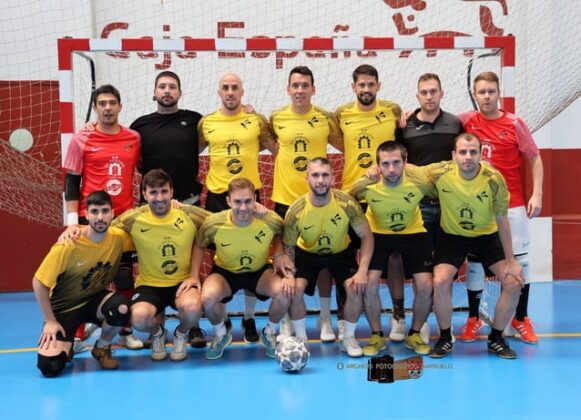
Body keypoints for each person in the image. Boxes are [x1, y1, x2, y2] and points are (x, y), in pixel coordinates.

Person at [458, 72, 543, 344]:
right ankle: (474, 318)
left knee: (520, 262)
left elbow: (535, 157)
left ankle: (521, 317)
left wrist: (537, 193)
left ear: (498, 93)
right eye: (481, 91)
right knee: (475, 262)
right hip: (478, 205)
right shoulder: (466, 121)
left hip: (513, 203)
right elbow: (436, 116)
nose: (486, 96)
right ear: (474, 93)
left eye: (491, 91)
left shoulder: (515, 123)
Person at [426, 133, 524, 359]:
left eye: (472, 152)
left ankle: (497, 337)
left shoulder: (493, 179)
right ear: (454, 156)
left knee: (513, 282)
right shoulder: (439, 174)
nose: (467, 157)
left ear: (481, 154)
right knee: (440, 281)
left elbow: (502, 218)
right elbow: (409, 171)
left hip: (486, 237)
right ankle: (444, 337)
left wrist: (511, 260)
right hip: (452, 237)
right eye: (462, 152)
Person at [198, 73, 277, 343]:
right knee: (219, 256)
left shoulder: (256, 120)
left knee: (254, 253)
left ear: (242, 92)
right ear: (219, 92)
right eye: (225, 88)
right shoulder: (206, 123)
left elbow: (279, 148)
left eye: (235, 88)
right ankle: (222, 317)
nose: (230, 92)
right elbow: (188, 150)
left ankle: (249, 318)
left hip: (249, 196)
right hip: (219, 197)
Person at [130, 71, 207, 348]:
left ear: (180, 92)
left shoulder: (195, 120)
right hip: (154, 202)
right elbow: (133, 157)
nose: (167, 91)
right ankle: (158, 323)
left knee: (193, 256)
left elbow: (209, 140)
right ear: (154, 92)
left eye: (172, 86)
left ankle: (194, 325)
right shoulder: (140, 125)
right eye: (162, 86)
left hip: (187, 202)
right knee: (154, 255)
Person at [63, 84, 141, 350]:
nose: (108, 108)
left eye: (112, 103)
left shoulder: (134, 138)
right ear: (96, 107)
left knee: (124, 278)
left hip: (124, 220)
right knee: (85, 277)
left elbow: (144, 172)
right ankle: (77, 334)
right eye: (102, 103)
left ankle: (125, 331)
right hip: (90, 219)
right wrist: (73, 221)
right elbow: (72, 181)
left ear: (120, 106)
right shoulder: (81, 138)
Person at [270, 66, 344, 342]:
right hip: (285, 200)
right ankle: (288, 319)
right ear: (288, 89)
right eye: (295, 85)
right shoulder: (276, 118)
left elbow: (345, 144)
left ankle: (325, 319)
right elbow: (271, 144)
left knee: (324, 259)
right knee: (285, 261)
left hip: (319, 201)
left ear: (314, 88)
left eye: (305, 85)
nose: (300, 90)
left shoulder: (325, 119)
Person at [335, 64, 406, 343]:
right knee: (344, 259)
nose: (366, 89)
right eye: (361, 85)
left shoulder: (393, 110)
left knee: (393, 258)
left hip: (386, 194)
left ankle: (398, 315)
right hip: (352, 195)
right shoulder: (340, 115)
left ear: (378, 85)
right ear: (353, 87)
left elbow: (401, 146)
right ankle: (344, 317)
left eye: (370, 84)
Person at [112, 169, 209, 361]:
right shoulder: (133, 218)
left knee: (193, 309)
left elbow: (219, 220)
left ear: (172, 192)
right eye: (153, 192)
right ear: (145, 194)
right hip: (150, 284)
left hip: (181, 283)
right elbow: (103, 227)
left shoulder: (187, 213)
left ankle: (180, 334)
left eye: (164, 191)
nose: (159, 197)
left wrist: (256, 209)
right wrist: (75, 230)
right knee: (138, 319)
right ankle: (158, 334)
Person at [33, 191, 132, 377]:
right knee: (50, 367)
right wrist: (50, 321)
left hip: (94, 301)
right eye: (94, 212)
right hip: (64, 308)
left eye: (105, 211)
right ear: (86, 215)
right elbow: (38, 283)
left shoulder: (119, 237)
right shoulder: (69, 244)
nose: (100, 217)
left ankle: (101, 348)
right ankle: (66, 345)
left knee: (121, 309)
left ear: (112, 214)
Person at [191, 177, 292, 360]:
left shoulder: (269, 219)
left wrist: (279, 252)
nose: (243, 207)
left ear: (255, 199)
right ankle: (222, 334)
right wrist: (193, 276)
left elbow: (280, 231)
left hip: (259, 271)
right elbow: (199, 244)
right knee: (207, 298)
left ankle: (269, 332)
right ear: (229, 201)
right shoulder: (214, 223)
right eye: (237, 202)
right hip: (226, 273)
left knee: (285, 292)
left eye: (248, 201)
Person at [350, 142, 435, 356]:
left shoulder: (419, 182)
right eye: (385, 164)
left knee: (426, 285)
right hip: (378, 234)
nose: (391, 169)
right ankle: (377, 335)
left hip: (413, 232)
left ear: (405, 162)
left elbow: (444, 186)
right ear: (377, 166)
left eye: (397, 163)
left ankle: (414, 333)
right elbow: (345, 198)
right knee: (369, 284)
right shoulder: (367, 184)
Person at [283, 157, 373, 357]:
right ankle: (301, 340)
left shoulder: (346, 203)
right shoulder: (296, 210)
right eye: (315, 175)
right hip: (307, 254)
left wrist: (363, 270)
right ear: (307, 178)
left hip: (341, 253)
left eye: (325, 175)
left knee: (355, 288)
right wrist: (289, 275)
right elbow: (288, 246)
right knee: (293, 290)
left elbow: (366, 236)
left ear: (333, 178)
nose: (320, 180)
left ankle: (348, 338)